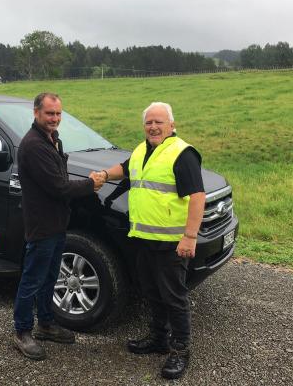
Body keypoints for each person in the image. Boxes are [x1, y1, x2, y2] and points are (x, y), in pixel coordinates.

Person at [98, 102, 205, 379]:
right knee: (151, 292)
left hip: (172, 243)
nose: (153, 127)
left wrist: (190, 237)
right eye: (149, 123)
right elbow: (126, 167)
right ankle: (158, 339)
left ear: (171, 125)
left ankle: (180, 350)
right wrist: (104, 175)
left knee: (174, 297)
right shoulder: (142, 150)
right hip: (144, 238)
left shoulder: (182, 154)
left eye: (159, 122)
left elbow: (197, 197)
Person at [13, 92, 105, 360]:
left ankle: (45, 324)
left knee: (50, 278)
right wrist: (91, 184)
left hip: (56, 224)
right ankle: (22, 332)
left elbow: (59, 177)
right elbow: (59, 187)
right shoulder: (33, 146)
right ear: (36, 113)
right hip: (42, 226)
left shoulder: (52, 139)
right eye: (49, 113)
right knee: (32, 279)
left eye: (58, 114)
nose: (54, 118)